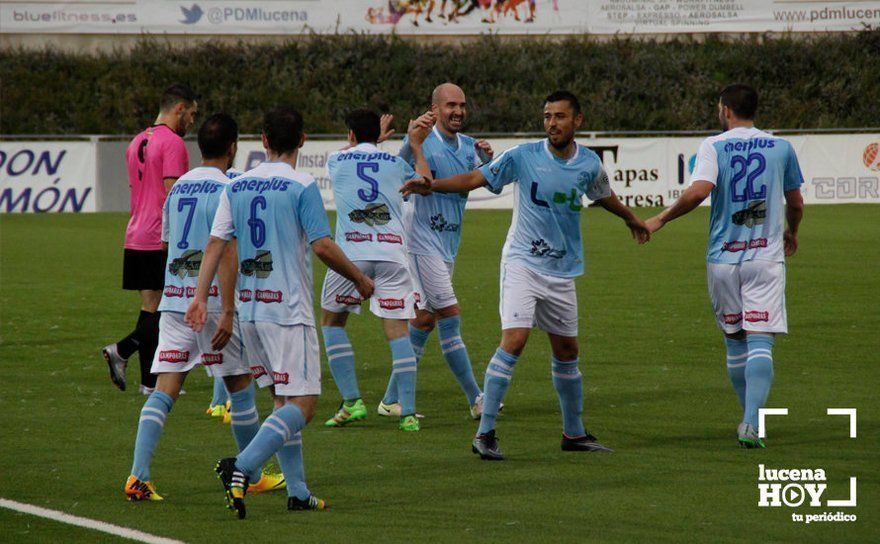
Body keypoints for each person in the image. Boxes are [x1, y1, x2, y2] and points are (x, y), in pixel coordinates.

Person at [402, 90, 651, 460]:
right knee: (515, 340)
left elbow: (603, 195)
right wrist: (432, 185)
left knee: (567, 351)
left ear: (577, 121)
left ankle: (574, 432)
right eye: (547, 116)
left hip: (562, 269)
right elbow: (474, 178)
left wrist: (632, 218)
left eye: (560, 117)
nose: (552, 123)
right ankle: (484, 433)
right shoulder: (523, 156)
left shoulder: (588, 164)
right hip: (522, 264)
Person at [186, 107, 374, 518]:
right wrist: (359, 279)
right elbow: (322, 246)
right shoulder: (302, 185)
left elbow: (217, 243)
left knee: (282, 403)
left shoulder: (236, 185)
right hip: (288, 312)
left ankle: (299, 492)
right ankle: (243, 467)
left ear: (263, 141)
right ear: (303, 140)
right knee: (303, 406)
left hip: (251, 314)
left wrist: (202, 298)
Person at [124, 113, 282, 501]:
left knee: (165, 389)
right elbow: (227, 251)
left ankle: (137, 476)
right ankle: (252, 473)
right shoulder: (230, 187)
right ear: (233, 147)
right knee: (240, 384)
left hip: (176, 301)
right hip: (211, 304)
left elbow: (165, 246)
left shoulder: (178, 189)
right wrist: (227, 309)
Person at [645, 84, 804, 449]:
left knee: (735, 341)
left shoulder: (713, 146)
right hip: (765, 256)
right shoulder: (781, 147)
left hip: (723, 259)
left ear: (726, 110)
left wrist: (662, 219)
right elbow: (795, 202)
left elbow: (699, 191)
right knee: (761, 340)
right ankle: (751, 422)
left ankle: (748, 418)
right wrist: (791, 232)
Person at [379, 83, 493, 420]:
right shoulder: (420, 140)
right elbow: (392, 176)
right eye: (450, 106)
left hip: (447, 244)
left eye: (462, 105)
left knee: (424, 320)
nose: (457, 111)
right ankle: (477, 398)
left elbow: (495, 183)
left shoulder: (471, 146)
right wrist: (409, 145)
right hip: (420, 242)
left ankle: (389, 400)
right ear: (434, 108)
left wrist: (490, 161)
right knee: (450, 314)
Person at [320, 109, 431, 432]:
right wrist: (417, 148)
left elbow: (352, 153)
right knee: (398, 332)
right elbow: (425, 182)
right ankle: (408, 413)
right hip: (392, 255)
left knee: (332, 322)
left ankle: (352, 401)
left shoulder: (336, 160)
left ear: (351, 134)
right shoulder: (397, 164)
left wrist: (371, 140)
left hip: (351, 256)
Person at [103, 84, 198, 395]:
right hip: (161, 237)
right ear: (180, 108)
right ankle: (121, 349)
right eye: (192, 114)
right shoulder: (173, 144)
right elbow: (174, 195)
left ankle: (149, 382)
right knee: (166, 309)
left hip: (136, 232)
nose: (193, 122)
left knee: (151, 307)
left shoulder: (137, 141)